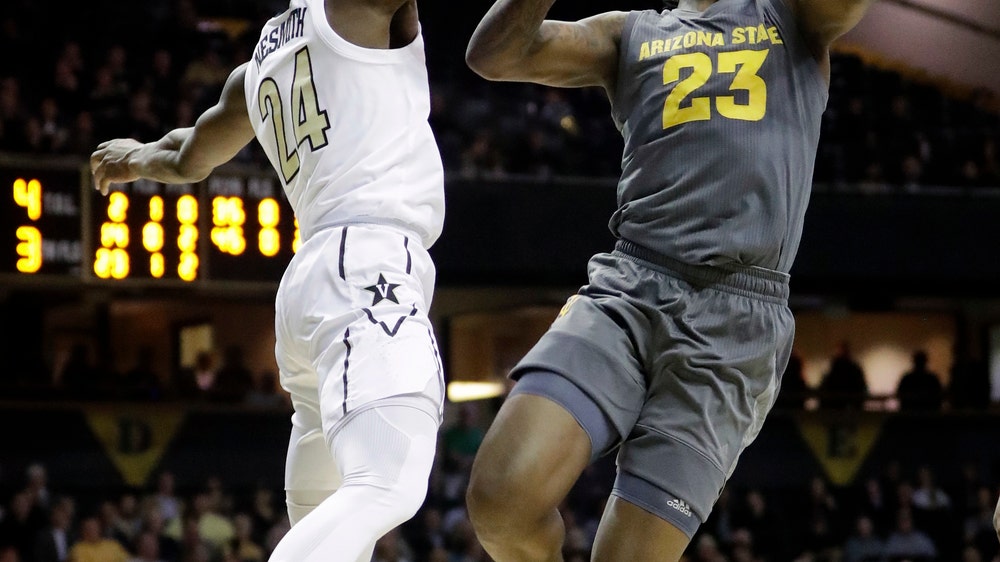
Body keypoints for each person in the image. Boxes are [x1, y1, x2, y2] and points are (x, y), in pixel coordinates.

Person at [463, 0, 876, 560]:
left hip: (735, 321)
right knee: (500, 502)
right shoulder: (628, 32)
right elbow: (493, 54)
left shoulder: (786, 16)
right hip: (630, 285)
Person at [89, 0, 446, 559]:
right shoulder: (351, 11)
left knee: (331, 525)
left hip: (310, 282)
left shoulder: (257, 65)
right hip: (369, 262)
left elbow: (186, 156)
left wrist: (134, 158)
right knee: (390, 477)